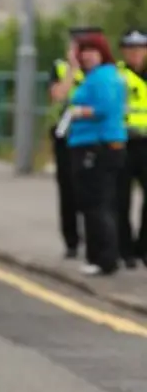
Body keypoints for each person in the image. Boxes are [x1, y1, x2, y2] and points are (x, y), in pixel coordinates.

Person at [63, 31, 127, 276]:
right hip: (89, 143)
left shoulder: (104, 77)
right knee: (93, 203)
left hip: (97, 145)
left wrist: (78, 112)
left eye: (91, 51)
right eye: (83, 52)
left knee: (97, 204)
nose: (86, 56)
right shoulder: (94, 76)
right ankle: (98, 256)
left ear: (102, 53)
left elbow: (104, 108)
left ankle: (105, 259)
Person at [47, 29, 92, 259]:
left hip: (91, 136)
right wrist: (72, 70)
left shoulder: (99, 69)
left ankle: (94, 239)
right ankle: (72, 241)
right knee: (68, 190)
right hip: (65, 135)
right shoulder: (60, 68)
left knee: (93, 191)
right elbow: (57, 95)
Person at [116, 29, 147, 268]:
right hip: (123, 142)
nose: (135, 54)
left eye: (140, 48)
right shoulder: (117, 75)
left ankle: (143, 247)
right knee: (120, 199)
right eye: (131, 49)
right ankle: (124, 250)